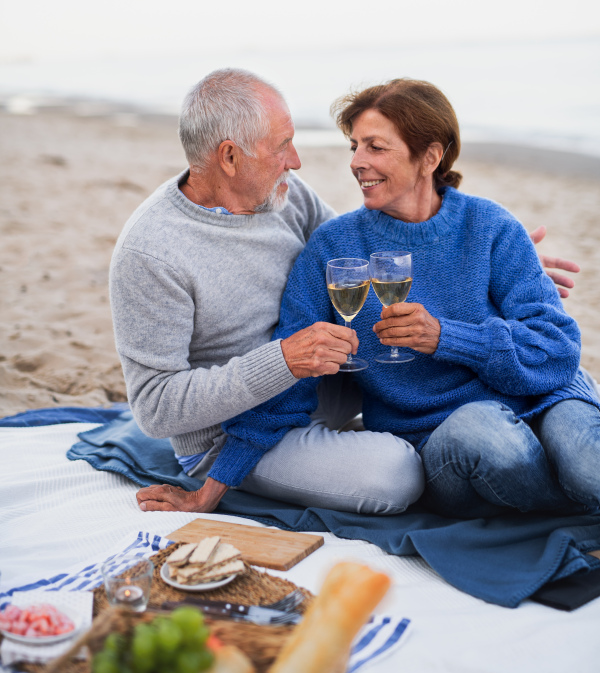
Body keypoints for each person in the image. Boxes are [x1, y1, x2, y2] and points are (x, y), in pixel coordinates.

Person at [136, 75, 596, 518]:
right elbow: (293, 378)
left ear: (430, 156)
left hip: (546, 396)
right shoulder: (335, 249)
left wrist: (447, 337)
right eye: (354, 145)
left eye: (376, 147)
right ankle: (568, 506)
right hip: (441, 432)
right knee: (494, 441)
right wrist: (213, 488)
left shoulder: (492, 227)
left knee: (587, 463)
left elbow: (558, 350)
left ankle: (574, 492)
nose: (357, 160)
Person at [111, 68, 425, 516]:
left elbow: (359, 249)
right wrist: (282, 361)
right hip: (230, 436)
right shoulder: (152, 252)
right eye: (281, 147)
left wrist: (471, 259)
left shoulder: (284, 193)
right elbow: (155, 408)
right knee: (395, 474)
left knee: (437, 362)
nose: (295, 161)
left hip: (319, 385)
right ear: (230, 157)